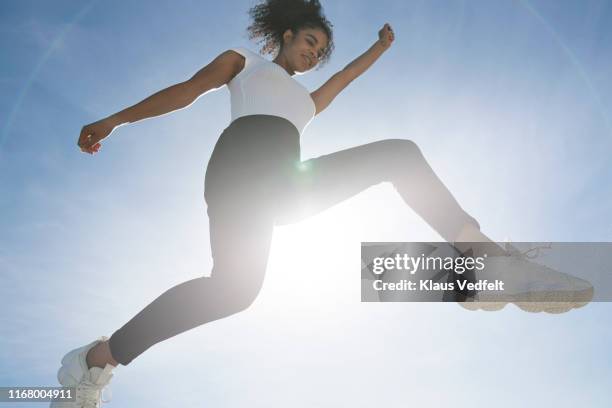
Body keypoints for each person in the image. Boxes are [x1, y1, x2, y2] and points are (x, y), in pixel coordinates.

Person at [51, 1, 593, 406]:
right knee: (235, 291)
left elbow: (344, 79)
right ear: (285, 35)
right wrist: (114, 120)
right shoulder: (244, 63)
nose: (313, 53)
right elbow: (187, 90)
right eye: (308, 41)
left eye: (319, 50)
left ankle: (483, 257)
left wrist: (378, 49)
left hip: (287, 182)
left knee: (395, 155)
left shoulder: (308, 102)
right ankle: (98, 360)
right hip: (239, 174)